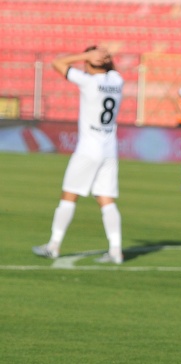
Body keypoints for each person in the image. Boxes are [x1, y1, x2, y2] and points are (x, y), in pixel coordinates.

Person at [32, 46, 124, 264]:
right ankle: (116, 249)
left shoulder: (88, 81)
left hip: (88, 149)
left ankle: (53, 245)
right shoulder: (117, 80)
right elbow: (111, 70)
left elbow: (57, 63)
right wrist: (104, 58)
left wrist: (86, 55)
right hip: (109, 149)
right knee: (106, 200)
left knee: (69, 196)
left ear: (91, 62)